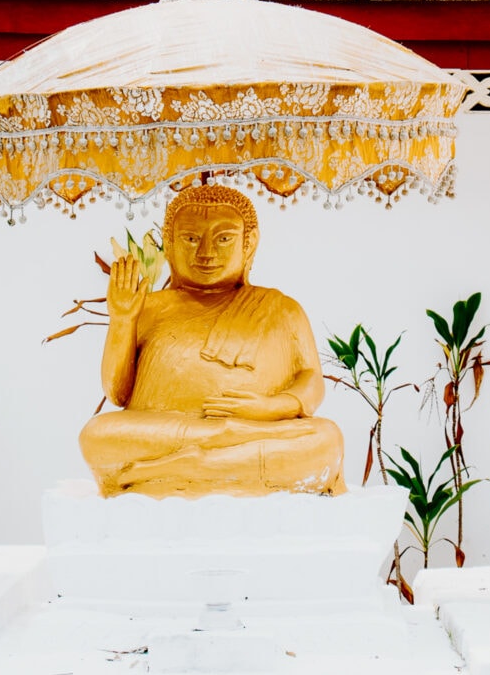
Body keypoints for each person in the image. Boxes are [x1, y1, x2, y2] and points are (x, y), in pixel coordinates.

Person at [79, 184, 346, 497]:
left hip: (254, 428)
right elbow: (118, 393)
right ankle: (219, 466)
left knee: (325, 438)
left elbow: (311, 380)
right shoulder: (149, 307)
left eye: (224, 238)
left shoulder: (281, 308)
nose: (206, 252)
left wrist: (269, 407)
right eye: (191, 238)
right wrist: (123, 320)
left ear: (249, 243)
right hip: (176, 434)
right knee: (98, 434)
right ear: (169, 243)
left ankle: (173, 471)